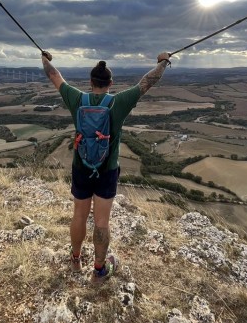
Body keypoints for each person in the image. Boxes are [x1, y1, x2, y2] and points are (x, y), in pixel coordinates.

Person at [41, 50, 171, 283]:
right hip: (107, 169)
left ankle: (75, 260)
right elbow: (146, 83)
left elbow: (54, 75)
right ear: (111, 83)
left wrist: (44, 58)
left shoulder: (77, 99)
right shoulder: (118, 103)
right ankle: (99, 270)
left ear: (91, 83)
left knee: (79, 215)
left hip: (80, 167)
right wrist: (163, 61)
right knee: (101, 222)